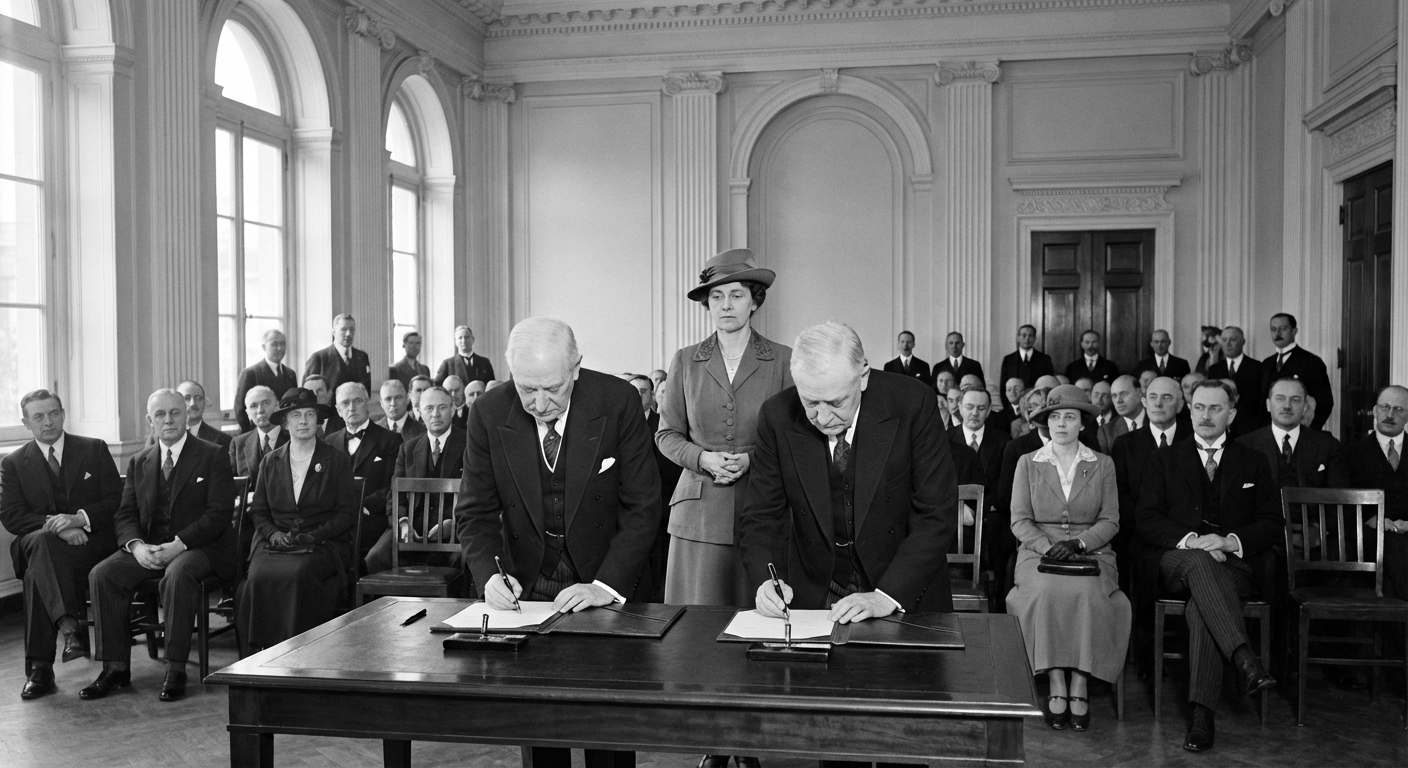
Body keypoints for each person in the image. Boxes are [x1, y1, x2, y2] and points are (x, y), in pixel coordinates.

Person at [456, 317, 659, 768]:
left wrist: (605, 587)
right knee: (541, 727)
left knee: (608, 731)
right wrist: (489, 575)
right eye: (527, 389)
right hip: (528, 588)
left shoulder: (618, 401)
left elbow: (643, 507)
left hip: (606, 582)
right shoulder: (488, 412)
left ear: (576, 368)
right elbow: (475, 512)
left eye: (552, 388)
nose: (540, 403)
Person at [742, 322, 960, 622]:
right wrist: (766, 581)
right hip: (815, 596)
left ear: (863, 376)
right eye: (810, 402)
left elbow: (936, 514)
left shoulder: (913, 403)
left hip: (904, 591)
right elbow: (761, 516)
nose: (822, 417)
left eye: (836, 402)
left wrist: (887, 596)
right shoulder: (776, 415)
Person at [1136, 380, 1281, 753]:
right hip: (1177, 559)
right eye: (1199, 407)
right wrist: (1193, 541)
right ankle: (1244, 658)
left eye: (1215, 408)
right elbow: (1147, 518)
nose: (1205, 415)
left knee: (1203, 605)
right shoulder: (1165, 458)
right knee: (1201, 564)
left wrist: (1229, 541)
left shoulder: (1253, 460)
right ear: (1189, 410)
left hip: (1234, 563)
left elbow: (1271, 522)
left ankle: (1202, 718)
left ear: (1231, 414)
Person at [656, 249, 792, 614]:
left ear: (754, 301)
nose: (726, 305)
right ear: (707, 304)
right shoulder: (686, 360)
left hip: (761, 507)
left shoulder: (782, 359)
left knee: (758, 620)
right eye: (716, 296)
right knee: (695, 623)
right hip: (697, 515)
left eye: (736, 295)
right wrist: (702, 458)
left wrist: (750, 460)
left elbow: (794, 438)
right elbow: (666, 435)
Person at [82, 389, 236, 702]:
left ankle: (175, 667)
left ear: (186, 415)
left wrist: (180, 544)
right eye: (160, 415)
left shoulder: (213, 454)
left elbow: (218, 513)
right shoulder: (139, 461)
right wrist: (136, 546)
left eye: (175, 412)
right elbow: (125, 513)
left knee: (177, 574)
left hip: (202, 547)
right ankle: (115, 667)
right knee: (103, 574)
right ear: (149, 421)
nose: (168, 420)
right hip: (150, 547)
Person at [1006, 384, 1130, 732]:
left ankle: (1080, 680)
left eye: (1070, 417)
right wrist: (1048, 547)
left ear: (1082, 423)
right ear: (1046, 423)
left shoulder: (1102, 464)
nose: (1061, 424)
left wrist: (1078, 543)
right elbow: (1019, 520)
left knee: (1088, 593)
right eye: (1055, 417)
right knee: (1045, 591)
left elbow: (1111, 520)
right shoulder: (1028, 463)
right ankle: (1056, 679)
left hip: (1092, 552)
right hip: (1037, 553)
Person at [1, 390, 122, 700]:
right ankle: (69, 629)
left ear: (63, 414)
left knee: (36, 573)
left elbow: (116, 500)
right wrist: (58, 527)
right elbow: (11, 515)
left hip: (89, 546)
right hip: (44, 542)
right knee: (43, 542)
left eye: (54, 413)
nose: (48, 422)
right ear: (26, 422)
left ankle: (40, 669)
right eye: (39, 416)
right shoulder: (13, 462)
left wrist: (79, 519)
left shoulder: (93, 449)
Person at [236, 388, 358, 654]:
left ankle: (298, 653)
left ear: (318, 420)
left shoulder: (336, 460)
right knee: (257, 577)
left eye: (309, 414)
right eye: (296, 415)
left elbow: (346, 513)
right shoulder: (270, 462)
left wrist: (315, 535)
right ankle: (260, 656)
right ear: (285, 422)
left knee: (298, 574)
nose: (303, 421)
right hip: (276, 543)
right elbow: (259, 512)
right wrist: (273, 534)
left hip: (322, 543)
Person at [366, 387, 466, 574]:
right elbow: (394, 497)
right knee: (375, 558)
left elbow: (477, 496)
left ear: (453, 410)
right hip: (412, 531)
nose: (435, 414)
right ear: (419, 412)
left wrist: (454, 524)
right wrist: (403, 523)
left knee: (466, 560)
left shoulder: (469, 446)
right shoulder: (408, 449)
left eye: (442, 407)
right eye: (429, 408)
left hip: (455, 531)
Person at [1340, 386, 1408, 600]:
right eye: (1385, 407)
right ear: (1375, 411)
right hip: (1368, 537)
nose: (1390, 415)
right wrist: (1374, 520)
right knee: (1393, 544)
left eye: (1399, 409)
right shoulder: (1350, 454)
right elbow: (1344, 504)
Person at [325, 383, 403, 557]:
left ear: (368, 403)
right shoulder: (329, 442)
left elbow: (392, 488)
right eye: (345, 403)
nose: (352, 407)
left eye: (357, 401)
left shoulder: (391, 440)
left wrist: (360, 506)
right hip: (336, 523)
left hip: (373, 520)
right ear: (338, 410)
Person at [629, 374, 682, 602]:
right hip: (629, 506)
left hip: (661, 504)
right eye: (634, 391)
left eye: (643, 391)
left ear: (652, 396)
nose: (638, 395)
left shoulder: (664, 426)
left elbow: (673, 469)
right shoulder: (618, 423)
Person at [1240, 378, 1345, 491]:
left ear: (1305, 407)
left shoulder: (1327, 446)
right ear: (1268, 405)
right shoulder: (1245, 445)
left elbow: (1340, 497)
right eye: (1280, 399)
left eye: (1295, 400)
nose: (1287, 406)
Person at [1261, 313, 1334, 430]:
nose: (1277, 333)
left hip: (1300, 431)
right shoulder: (1267, 363)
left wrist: (1310, 432)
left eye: (1283, 329)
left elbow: (1325, 403)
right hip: (1269, 433)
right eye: (1273, 329)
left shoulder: (1312, 362)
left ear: (1294, 331)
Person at [232, 329, 299, 433]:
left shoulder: (291, 374)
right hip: (260, 434)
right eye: (274, 344)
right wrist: (254, 434)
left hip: (285, 434)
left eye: (282, 344)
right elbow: (240, 409)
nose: (279, 348)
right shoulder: (250, 373)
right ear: (264, 347)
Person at [1207, 325, 1266, 438]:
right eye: (1224, 340)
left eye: (1232, 339)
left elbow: (1260, 402)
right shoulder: (1214, 370)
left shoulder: (1257, 367)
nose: (1228, 343)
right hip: (1221, 427)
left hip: (1249, 428)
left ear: (1243, 342)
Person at [147, 381, 232, 451]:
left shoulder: (223, 440)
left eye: (198, 398)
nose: (193, 404)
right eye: (186, 398)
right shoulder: (155, 439)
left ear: (205, 402)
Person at [229, 386, 288, 487]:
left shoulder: (293, 438)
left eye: (266, 403)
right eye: (253, 406)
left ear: (277, 406)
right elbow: (231, 484)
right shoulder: (238, 444)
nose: (260, 410)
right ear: (248, 413)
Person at [304, 314, 372, 396]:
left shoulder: (362, 357)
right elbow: (306, 395)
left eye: (352, 329)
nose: (348, 334)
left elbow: (366, 392)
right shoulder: (318, 358)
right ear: (333, 332)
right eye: (343, 329)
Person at [1000, 324, 1056, 389]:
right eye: (1024, 335)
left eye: (1030, 335)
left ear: (1034, 338)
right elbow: (1003, 387)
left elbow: (1049, 384)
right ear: (1018, 338)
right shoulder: (1008, 359)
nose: (1027, 338)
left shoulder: (1045, 359)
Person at [1099, 375, 1144, 454]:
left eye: (1123, 394)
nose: (1118, 401)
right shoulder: (1107, 431)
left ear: (1139, 393)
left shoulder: (1157, 421)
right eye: (1114, 396)